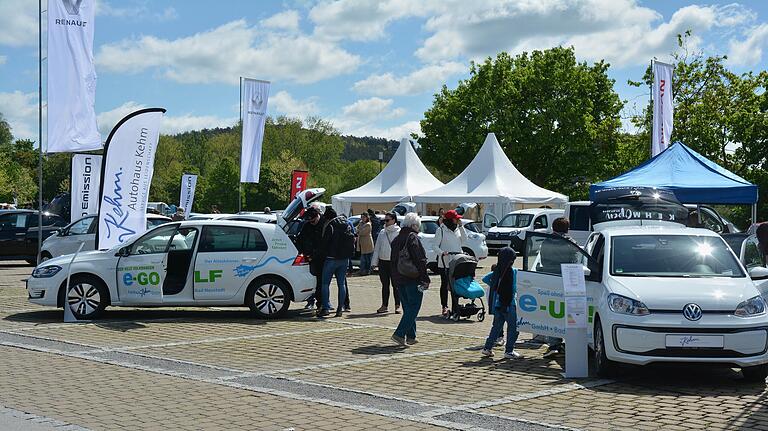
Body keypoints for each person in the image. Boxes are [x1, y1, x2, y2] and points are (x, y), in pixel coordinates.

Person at [390, 213, 430, 346]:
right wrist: (425, 278)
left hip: (399, 278)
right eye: (418, 226)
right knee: (414, 307)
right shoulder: (413, 238)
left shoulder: (396, 239)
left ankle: (411, 336)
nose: (419, 229)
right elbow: (420, 260)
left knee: (408, 308)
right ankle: (399, 334)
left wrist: (394, 279)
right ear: (414, 225)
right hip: (412, 278)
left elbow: (393, 261)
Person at [539, 217, 576, 357]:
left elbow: (542, 260)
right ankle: (571, 342)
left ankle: (554, 344)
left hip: (550, 279)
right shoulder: (570, 242)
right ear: (567, 228)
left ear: (553, 228)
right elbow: (576, 260)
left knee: (552, 311)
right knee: (568, 312)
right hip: (568, 281)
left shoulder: (546, 241)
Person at [481, 246, 521, 359]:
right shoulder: (513, 271)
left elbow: (484, 279)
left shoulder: (497, 271)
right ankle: (509, 351)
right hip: (509, 304)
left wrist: (494, 285)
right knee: (514, 328)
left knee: (496, 327)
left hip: (497, 304)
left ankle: (487, 348)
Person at [318, 207, 355, 318]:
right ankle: (340, 308)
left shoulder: (330, 225)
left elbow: (324, 243)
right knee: (341, 284)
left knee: (325, 284)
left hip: (331, 258)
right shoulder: (346, 223)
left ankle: (325, 308)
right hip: (344, 259)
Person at [434, 209, 467, 317]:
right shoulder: (441, 230)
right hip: (445, 261)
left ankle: (455, 306)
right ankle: (444, 306)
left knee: (455, 285)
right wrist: (442, 253)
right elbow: (435, 246)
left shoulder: (458, 229)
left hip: (456, 261)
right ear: (449, 220)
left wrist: (462, 227)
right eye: (455, 219)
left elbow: (464, 240)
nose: (458, 220)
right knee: (445, 284)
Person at [372, 212, 401, 314]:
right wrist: (374, 262)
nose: (386, 222)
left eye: (387, 220)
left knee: (396, 285)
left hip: (394, 262)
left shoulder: (399, 232)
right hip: (383, 262)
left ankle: (398, 305)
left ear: (394, 220)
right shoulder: (382, 232)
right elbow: (377, 248)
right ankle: (384, 305)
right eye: (385, 220)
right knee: (385, 285)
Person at [296, 207, 324, 310]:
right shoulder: (307, 226)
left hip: (321, 258)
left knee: (321, 282)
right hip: (309, 258)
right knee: (311, 281)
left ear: (317, 216)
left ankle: (321, 303)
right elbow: (300, 239)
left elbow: (324, 244)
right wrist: (304, 252)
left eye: (313, 220)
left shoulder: (324, 224)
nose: (312, 223)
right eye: (310, 221)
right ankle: (311, 301)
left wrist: (315, 254)